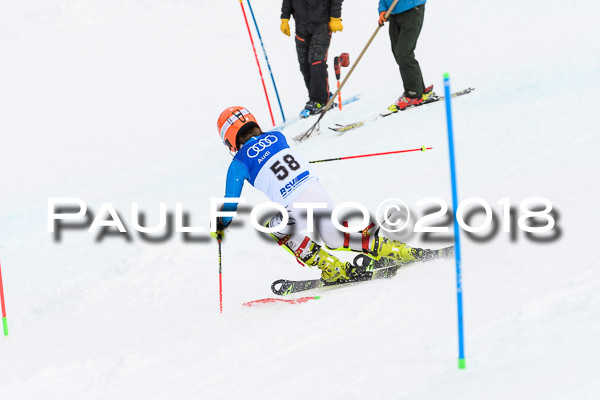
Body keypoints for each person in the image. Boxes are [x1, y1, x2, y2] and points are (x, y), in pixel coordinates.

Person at [212, 106, 441, 283]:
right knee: (335, 238)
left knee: (272, 227)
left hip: (294, 208)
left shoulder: (238, 163)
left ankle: (331, 268)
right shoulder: (278, 136)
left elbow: (230, 208)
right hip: (317, 192)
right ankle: (397, 249)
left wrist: (220, 224)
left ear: (230, 139)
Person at [280, 0, 344, 116]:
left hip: (322, 23)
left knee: (316, 61)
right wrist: (285, 18)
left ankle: (321, 100)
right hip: (301, 23)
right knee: (303, 62)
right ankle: (316, 97)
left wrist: (335, 17)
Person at [378, 0, 433, 111]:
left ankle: (413, 94)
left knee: (403, 53)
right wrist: (382, 10)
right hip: (393, 13)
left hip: (411, 10)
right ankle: (420, 89)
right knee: (398, 53)